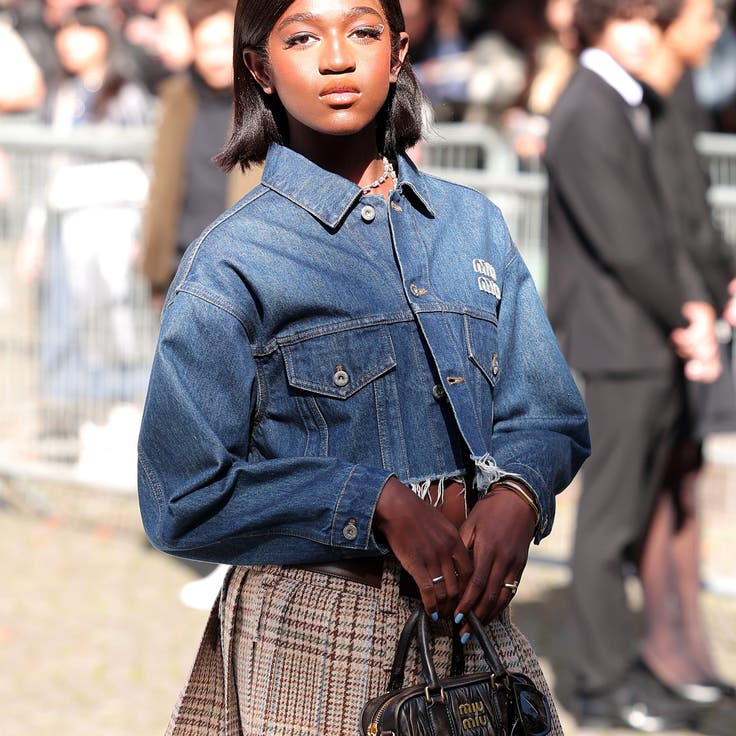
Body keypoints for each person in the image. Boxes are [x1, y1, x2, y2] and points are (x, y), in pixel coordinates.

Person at [137, 0, 590, 734]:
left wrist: (519, 494)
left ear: (400, 49)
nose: (338, 58)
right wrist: (369, 500)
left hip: (471, 628)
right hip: (313, 635)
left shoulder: (472, 225)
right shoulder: (232, 263)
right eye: (303, 36)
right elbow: (182, 494)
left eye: (364, 31)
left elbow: (549, 411)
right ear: (261, 68)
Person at [544, 0, 721, 730]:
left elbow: (664, 220)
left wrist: (694, 307)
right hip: (620, 342)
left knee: (631, 514)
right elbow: (626, 238)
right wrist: (688, 315)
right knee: (609, 523)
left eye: (652, 20)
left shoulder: (625, 100)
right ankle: (598, 685)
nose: (647, 34)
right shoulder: (588, 107)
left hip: (645, 336)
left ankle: (628, 670)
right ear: (597, 26)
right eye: (631, 20)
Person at [637, 0, 736, 705]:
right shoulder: (647, 102)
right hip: (670, 324)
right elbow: (663, 224)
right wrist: (692, 309)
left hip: (700, 310)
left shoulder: (681, 99)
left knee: (687, 477)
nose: (715, 31)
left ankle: (689, 641)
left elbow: (696, 216)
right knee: (662, 483)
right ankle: (664, 645)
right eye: (705, 18)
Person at [140, 0, 259, 305]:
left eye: (223, 44)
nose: (216, 57)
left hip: (244, 269)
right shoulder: (177, 98)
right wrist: (156, 270)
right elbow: (163, 185)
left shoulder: (264, 102)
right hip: (182, 267)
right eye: (206, 46)